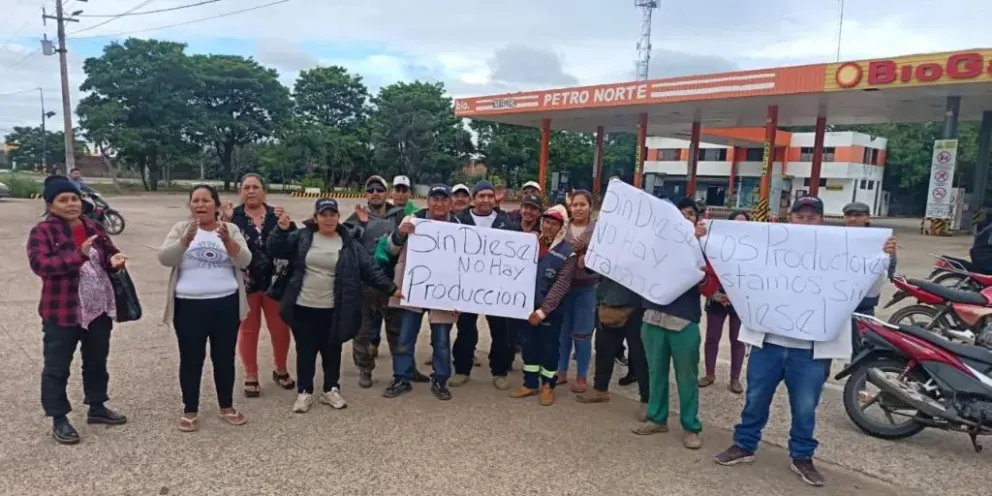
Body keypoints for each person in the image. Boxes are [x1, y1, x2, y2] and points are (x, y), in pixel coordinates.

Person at [714, 196, 897, 487]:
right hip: (768, 343)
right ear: (790, 219)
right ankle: (744, 444)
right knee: (756, 398)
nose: (805, 222)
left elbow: (868, 291)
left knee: (805, 406)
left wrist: (882, 257)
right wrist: (707, 237)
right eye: (799, 217)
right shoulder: (770, 248)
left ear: (821, 220)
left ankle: (802, 456)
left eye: (812, 218)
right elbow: (735, 261)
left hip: (811, 350)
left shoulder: (839, 251)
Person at [268, 198, 400, 413]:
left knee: (332, 350)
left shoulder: (349, 243)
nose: (328, 219)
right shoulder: (302, 236)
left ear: (338, 217)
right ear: (315, 217)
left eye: (332, 214)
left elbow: (370, 270)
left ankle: (331, 389)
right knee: (306, 350)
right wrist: (280, 231)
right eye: (323, 214)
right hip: (303, 305)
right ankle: (304, 391)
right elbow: (276, 248)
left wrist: (392, 289)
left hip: (334, 308)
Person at [28, 176, 128, 444]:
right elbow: (41, 265)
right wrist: (79, 255)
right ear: (50, 205)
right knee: (57, 367)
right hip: (63, 312)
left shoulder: (93, 225)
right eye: (63, 200)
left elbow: (109, 251)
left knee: (96, 362)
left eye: (74, 198)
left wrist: (115, 258)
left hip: (98, 310)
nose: (71, 204)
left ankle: (97, 406)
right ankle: (59, 418)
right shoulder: (43, 232)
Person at [158, 184, 252, 432]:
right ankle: (190, 409)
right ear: (190, 206)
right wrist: (184, 241)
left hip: (225, 304)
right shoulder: (181, 228)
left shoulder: (230, 229)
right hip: (188, 306)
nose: (200, 205)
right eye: (195, 201)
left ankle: (226, 406)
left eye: (206, 200)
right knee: (191, 358)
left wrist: (228, 241)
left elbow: (245, 260)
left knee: (224, 357)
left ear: (217, 206)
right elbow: (165, 258)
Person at [633, 197, 717, 451]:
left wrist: (700, 252)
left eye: (690, 214)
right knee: (655, 373)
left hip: (683, 321)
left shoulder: (703, 247)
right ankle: (657, 418)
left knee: (686, 378)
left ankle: (691, 426)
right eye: (680, 213)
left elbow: (710, 288)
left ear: (697, 219)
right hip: (652, 318)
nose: (685, 218)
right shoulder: (654, 244)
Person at [344, 175, 425, 387]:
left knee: (398, 331)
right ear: (365, 194)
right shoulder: (356, 216)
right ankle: (365, 369)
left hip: (392, 283)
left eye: (379, 189)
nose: (375, 193)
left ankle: (406, 368)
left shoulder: (399, 215)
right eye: (370, 190)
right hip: (364, 284)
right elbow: (343, 240)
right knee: (361, 332)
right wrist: (361, 225)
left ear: (386, 193)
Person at [384, 185, 463, 400]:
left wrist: (461, 298)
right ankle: (402, 378)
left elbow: (465, 266)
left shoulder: (458, 226)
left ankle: (440, 380)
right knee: (405, 337)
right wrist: (400, 233)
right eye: (434, 199)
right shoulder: (412, 219)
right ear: (427, 201)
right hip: (413, 290)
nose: (439, 204)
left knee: (441, 341)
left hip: (443, 293)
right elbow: (391, 249)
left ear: (450, 203)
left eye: (443, 199)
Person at [221, 173, 295, 398]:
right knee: (248, 330)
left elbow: (292, 243)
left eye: (255, 187)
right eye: (246, 187)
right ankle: (250, 374)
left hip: (275, 283)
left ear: (264, 191)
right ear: (240, 192)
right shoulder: (232, 217)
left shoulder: (277, 214)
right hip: (246, 283)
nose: (251, 191)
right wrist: (225, 220)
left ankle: (280, 368)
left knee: (280, 329)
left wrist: (286, 226)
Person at [451, 180, 517, 389]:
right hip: (467, 287)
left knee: (500, 331)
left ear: (495, 198)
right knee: (465, 330)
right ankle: (462, 369)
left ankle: (500, 372)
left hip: (496, 288)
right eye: (481, 196)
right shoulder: (459, 220)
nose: (486, 200)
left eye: (489, 196)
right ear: (474, 198)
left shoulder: (505, 221)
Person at [510, 205, 577, 406]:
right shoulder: (530, 242)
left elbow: (561, 285)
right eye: (546, 222)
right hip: (525, 308)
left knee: (549, 348)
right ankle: (530, 383)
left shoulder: (568, 253)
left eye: (554, 224)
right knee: (528, 345)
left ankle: (548, 385)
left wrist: (542, 312)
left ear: (561, 227)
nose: (548, 226)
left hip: (550, 312)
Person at [575, 277, 649, 419]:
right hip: (608, 302)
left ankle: (647, 400)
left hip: (637, 306)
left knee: (639, 355)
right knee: (603, 348)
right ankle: (600, 389)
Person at [699, 210, 750, 394]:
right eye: (736, 222)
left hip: (739, 300)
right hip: (716, 297)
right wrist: (713, 293)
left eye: (744, 223)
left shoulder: (751, 248)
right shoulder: (715, 245)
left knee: (738, 340)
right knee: (712, 338)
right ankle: (709, 374)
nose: (740, 226)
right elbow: (705, 268)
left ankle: (735, 378)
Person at [842, 201, 897, 355]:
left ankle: (857, 371)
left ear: (867, 217)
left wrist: (890, 254)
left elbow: (890, 270)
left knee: (862, 347)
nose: (853, 219)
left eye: (858, 215)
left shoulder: (881, 240)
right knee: (825, 349)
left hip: (863, 305)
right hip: (834, 304)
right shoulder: (833, 237)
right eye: (849, 215)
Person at [556, 190, 597, 393]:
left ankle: (581, 376)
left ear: (590, 206)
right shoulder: (562, 227)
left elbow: (607, 257)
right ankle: (561, 371)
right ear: (569, 207)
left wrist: (588, 249)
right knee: (562, 332)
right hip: (563, 288)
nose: (579, 208)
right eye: (575, 205)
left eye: (583, 204)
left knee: (582, 334)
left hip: (587, 288)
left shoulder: (598, 229)